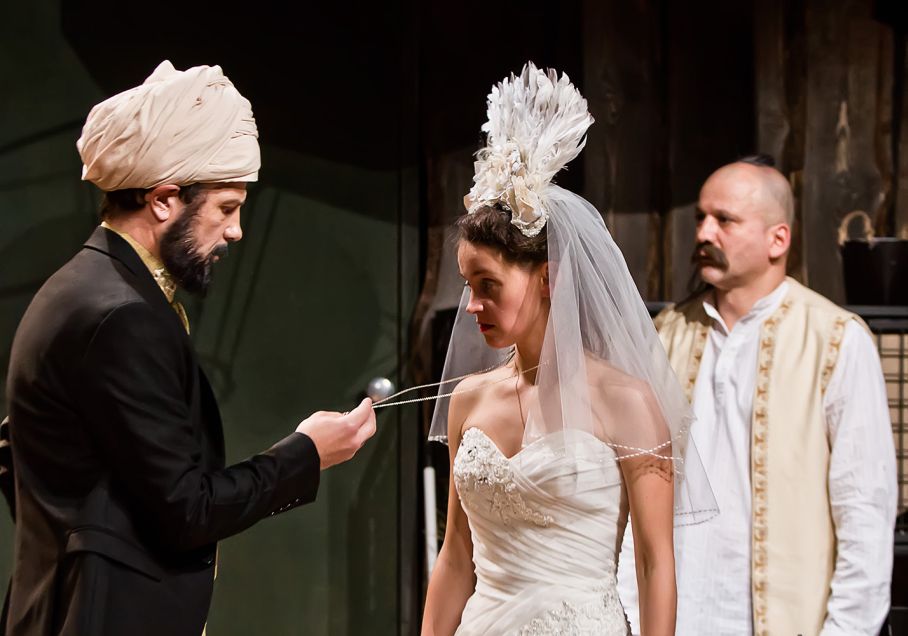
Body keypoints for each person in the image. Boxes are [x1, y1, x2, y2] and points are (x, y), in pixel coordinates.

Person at [2, 60, 376, 636]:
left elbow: (16, 448)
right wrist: (306, 453)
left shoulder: (81, 286)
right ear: (163, 200)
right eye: (226, 208)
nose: (236, 230)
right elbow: (188, 510)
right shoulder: (121, 314)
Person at [420, 62, 716, 636]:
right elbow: (456, 556)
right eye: (467, 285)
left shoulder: (627, 401)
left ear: (548, 278)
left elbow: (655, 563)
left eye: (489, 285)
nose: (473, 305)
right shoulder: (469, 400)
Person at [619, 156, 897, 635]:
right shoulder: (664, 336)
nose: (704, 233)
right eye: (700, 218)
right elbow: (629, 498)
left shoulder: (835, 340)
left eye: (724, 220)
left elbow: (864, 510)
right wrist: (626, 616)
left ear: (778, 239)